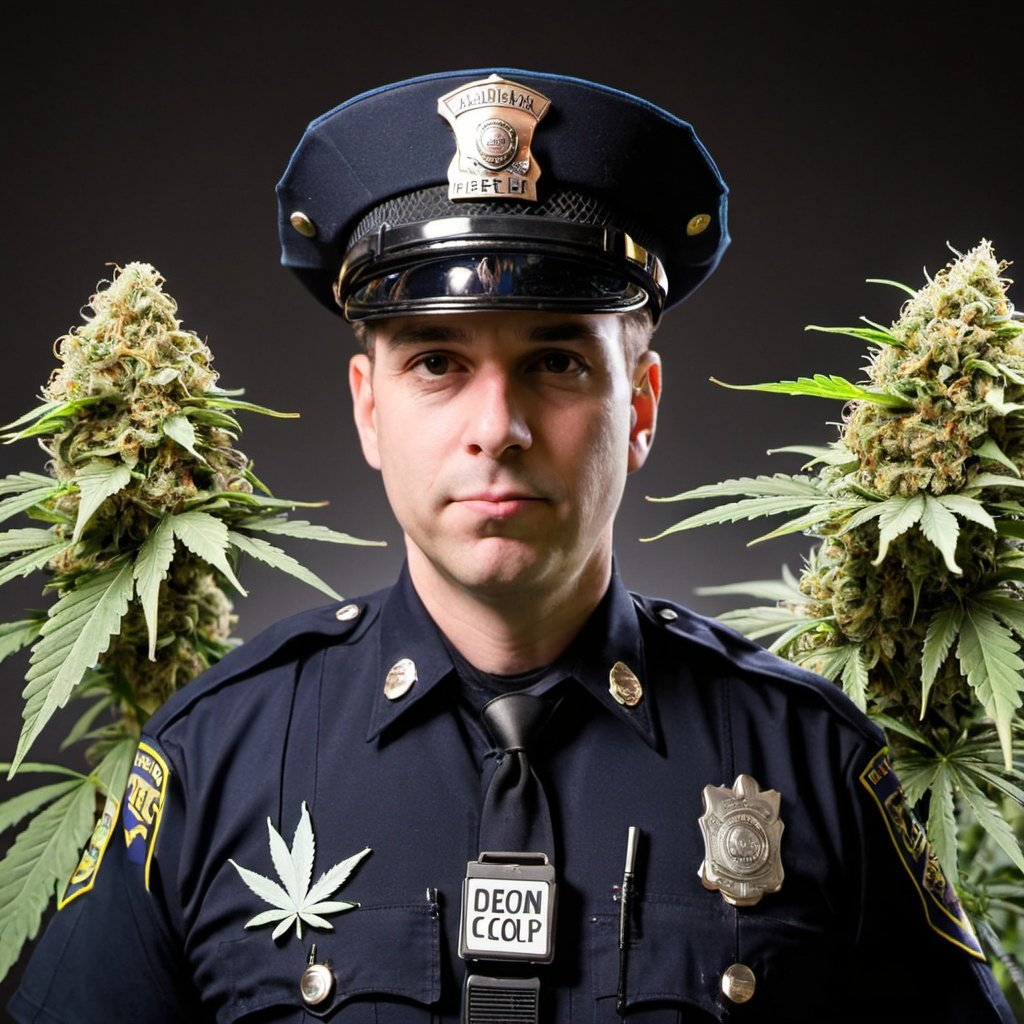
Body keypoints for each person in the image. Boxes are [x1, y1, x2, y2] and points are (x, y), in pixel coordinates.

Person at [7, 68, 1016, 1024]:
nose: (497, 426)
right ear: (368, 409)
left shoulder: (813, 760)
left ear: (642, 409)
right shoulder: (212, 763)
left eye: (556, 362)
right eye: (437, 360)